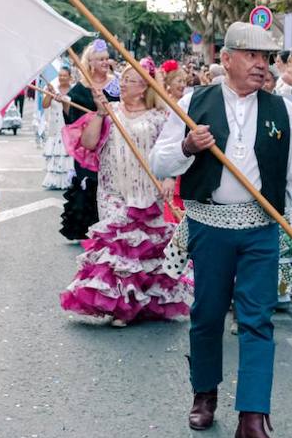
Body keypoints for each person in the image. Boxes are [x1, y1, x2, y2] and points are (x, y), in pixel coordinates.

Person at [150, 21, 292, 438]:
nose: (261, 65)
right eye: (251, 56)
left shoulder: (284, 111)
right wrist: (188, 145)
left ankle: (253, 420)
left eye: (266, 57)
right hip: (208, 225)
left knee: (258, 321)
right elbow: (159, 159)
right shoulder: (192, 102)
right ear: (226, 59)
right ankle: (204, 393)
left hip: (262, 229)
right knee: (206, 315)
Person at [59, 58, 190, 326]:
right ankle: (117, 305)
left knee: (141, 249)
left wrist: (169, 177)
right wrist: (99, 114)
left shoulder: (159, 117)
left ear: (142, 87)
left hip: (145, 189)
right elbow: (89, 142)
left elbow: (171, 152)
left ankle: (137, 303)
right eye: (123, 80)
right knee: (116, 246)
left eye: (129, 81)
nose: (122, 84)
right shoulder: (111, 111)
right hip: (112, 189)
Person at [53, 43, 120, 240]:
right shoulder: (80, 89)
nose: (105, 62)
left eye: (107, 58)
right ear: (89, 62)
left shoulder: (116, 84)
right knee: (88, 183)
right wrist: (65, 105)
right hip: (89, 150)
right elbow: (72, 121)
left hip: (112, 145)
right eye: (100, 59)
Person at [40, 67, 76, 191]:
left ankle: (69, 180)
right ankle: (55, 180)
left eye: (64, 75)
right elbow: (45, 105)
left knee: (68, 154)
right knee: (56, 154)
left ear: (70, 77)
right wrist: (49, 94)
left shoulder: (75, 91)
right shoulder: (51, 89)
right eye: (60, 75)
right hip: (55, 127)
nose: (61, 78)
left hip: (69, 126)